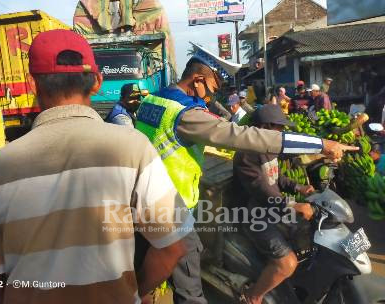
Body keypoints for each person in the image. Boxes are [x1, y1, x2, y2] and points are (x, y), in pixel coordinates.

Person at [0, 29, 193, 304]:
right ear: (97, 81)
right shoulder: (133, 147)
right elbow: (172, 247)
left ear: (34, 82)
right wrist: (133, 292)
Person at [135, 42, 357, 304]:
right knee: (189, 285)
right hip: (170, 206)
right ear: (197, 81)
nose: (211, 98)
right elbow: (242, 136)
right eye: (211, 89)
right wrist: (322, 145)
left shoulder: (154, 100)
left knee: (148, 267)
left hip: (145, 198)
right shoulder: (185, 115)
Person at [233, 104, 316, 304]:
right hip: (253, 215)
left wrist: (298, 187)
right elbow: (261, 189)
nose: (282, 132)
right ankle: (252, 296)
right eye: (279, 128)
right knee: (287, 264)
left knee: (307, 235)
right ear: (265, 126)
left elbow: (275, 177)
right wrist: (291, 205)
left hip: (271, 208)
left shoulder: (267, 148)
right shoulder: (246, 154)